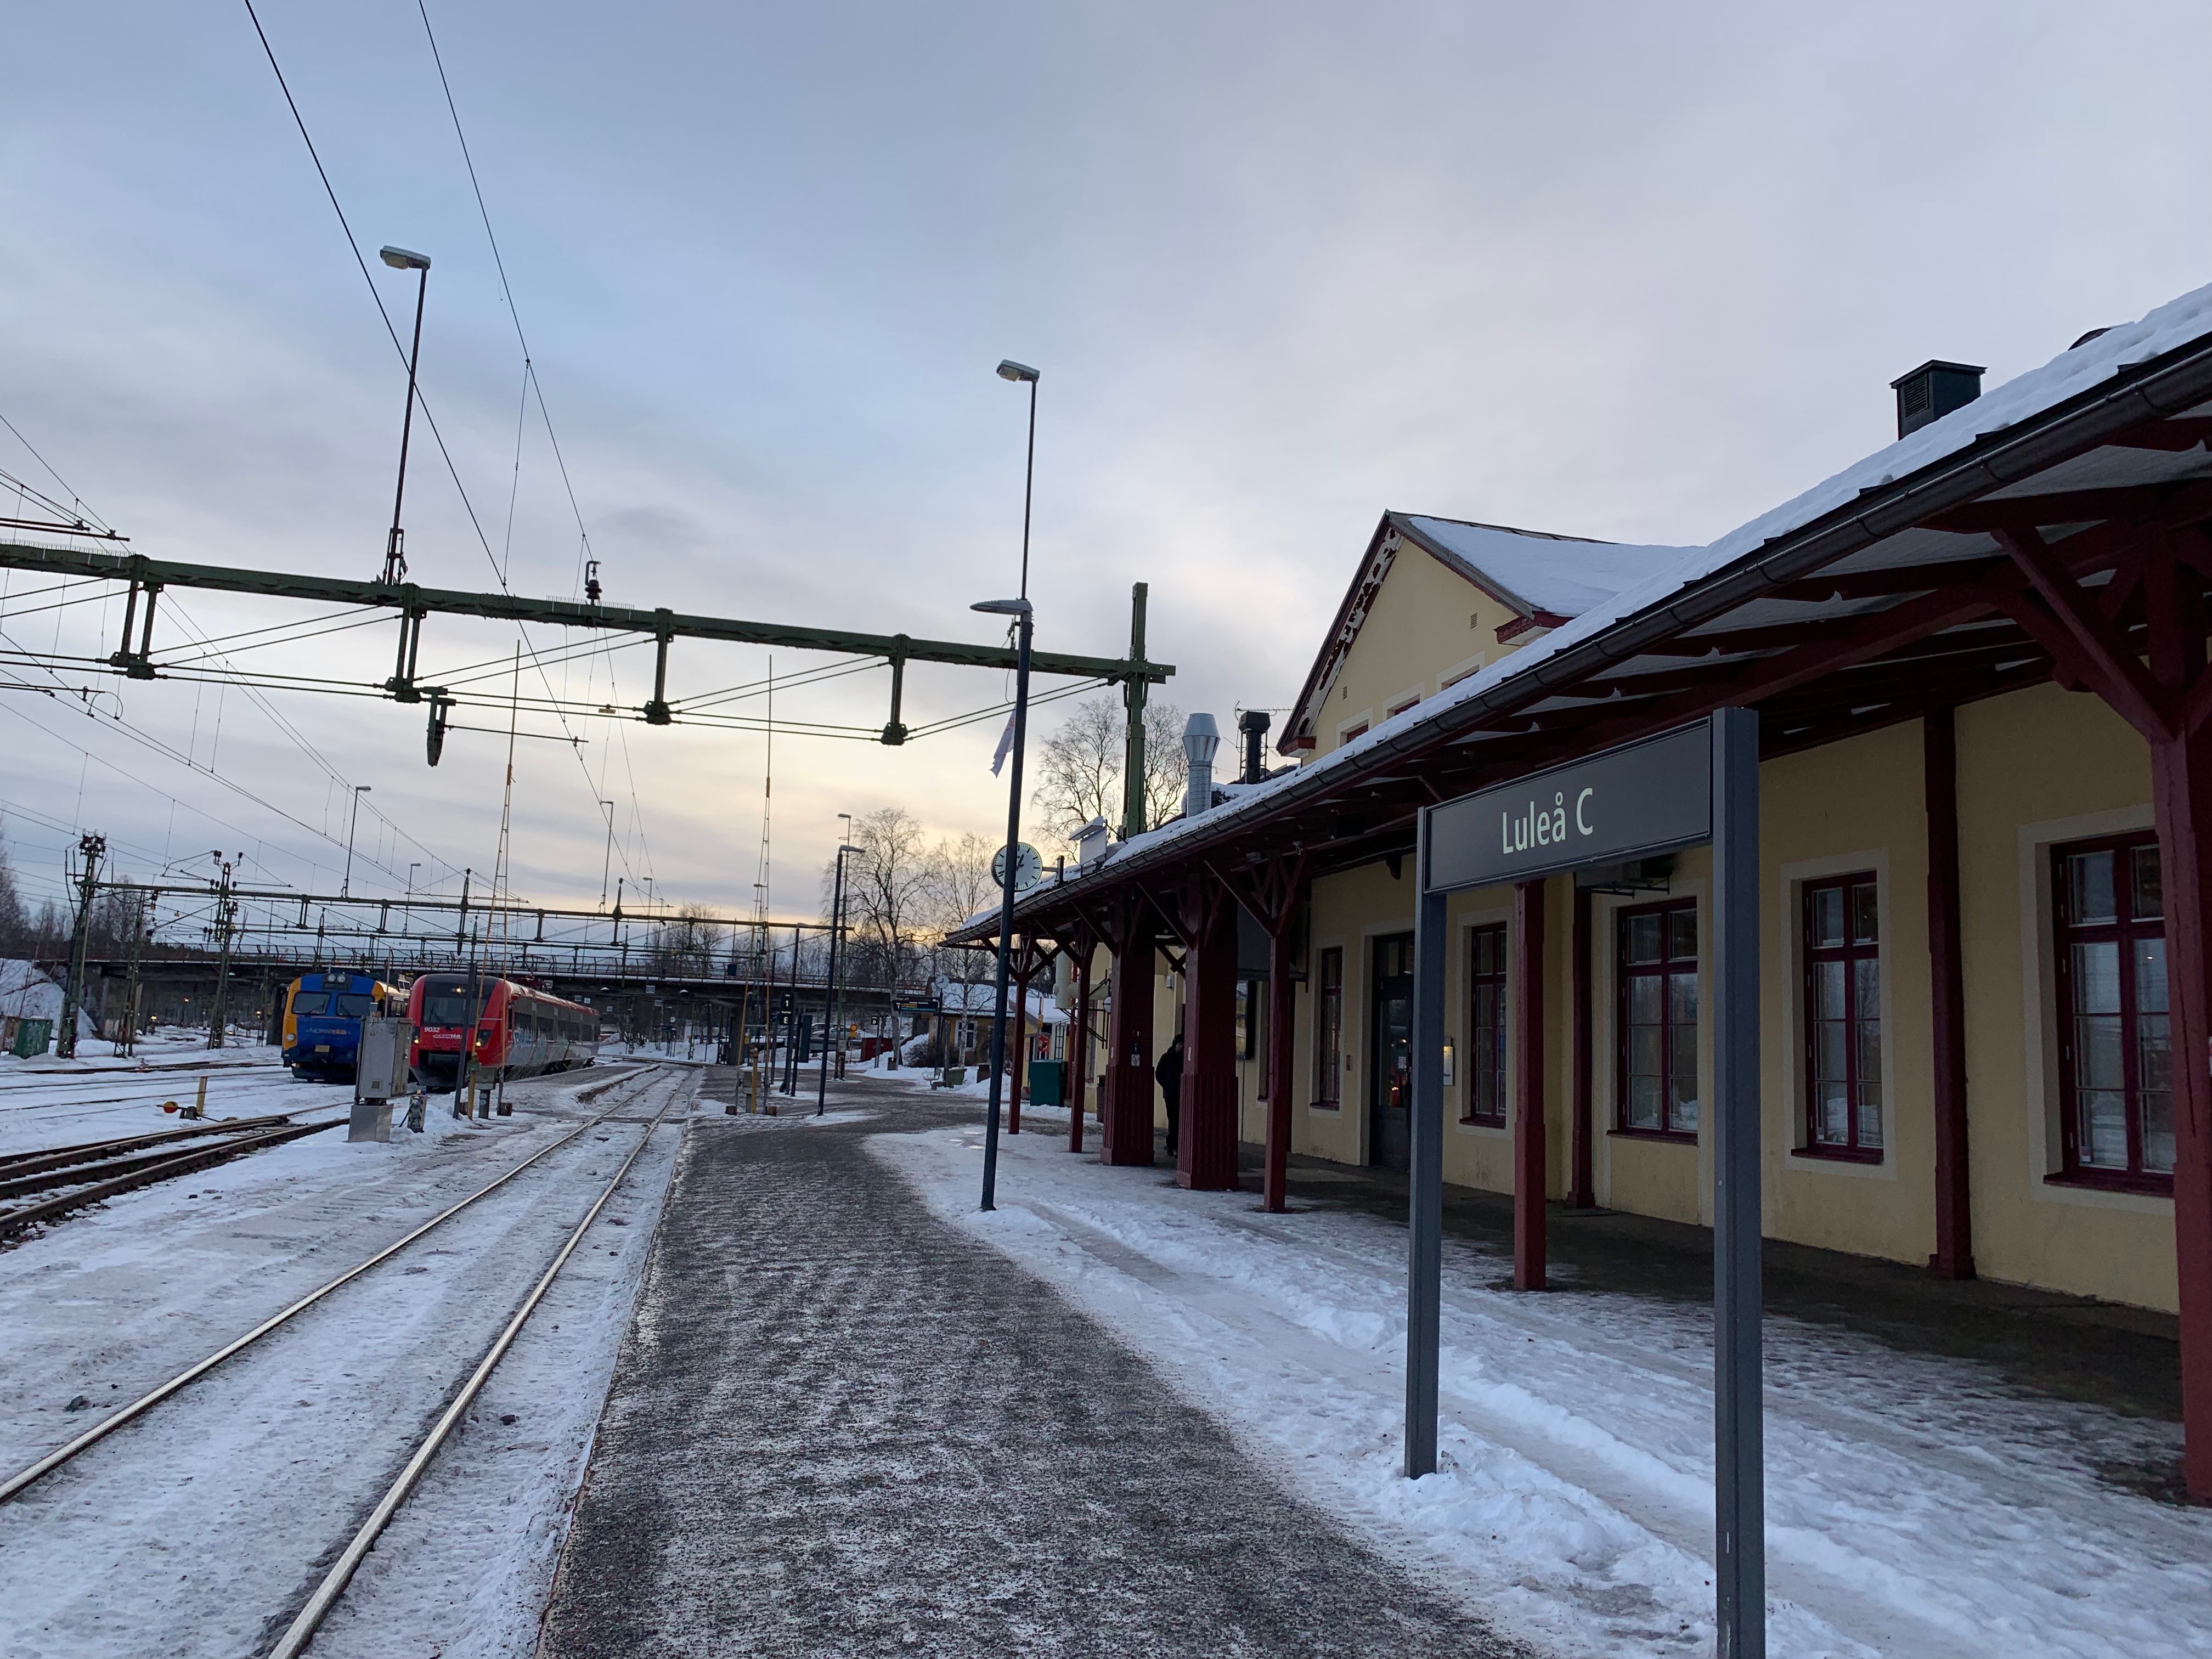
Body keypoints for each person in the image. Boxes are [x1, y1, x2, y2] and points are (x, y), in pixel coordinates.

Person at [1155, 1032, 1185, 1156]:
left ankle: (1176, 1145)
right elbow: (1159, 1074)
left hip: (1183, 1094)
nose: (1182, 1047)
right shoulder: (1166, 1058)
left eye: (1184, 1044)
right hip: (1171, 1095)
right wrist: (1168, 1087)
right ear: (1175, 1045)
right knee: (1173, 1120)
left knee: (1180, 1120)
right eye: (1180, 1044)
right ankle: (1172, 1145)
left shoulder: (1186, 1059)